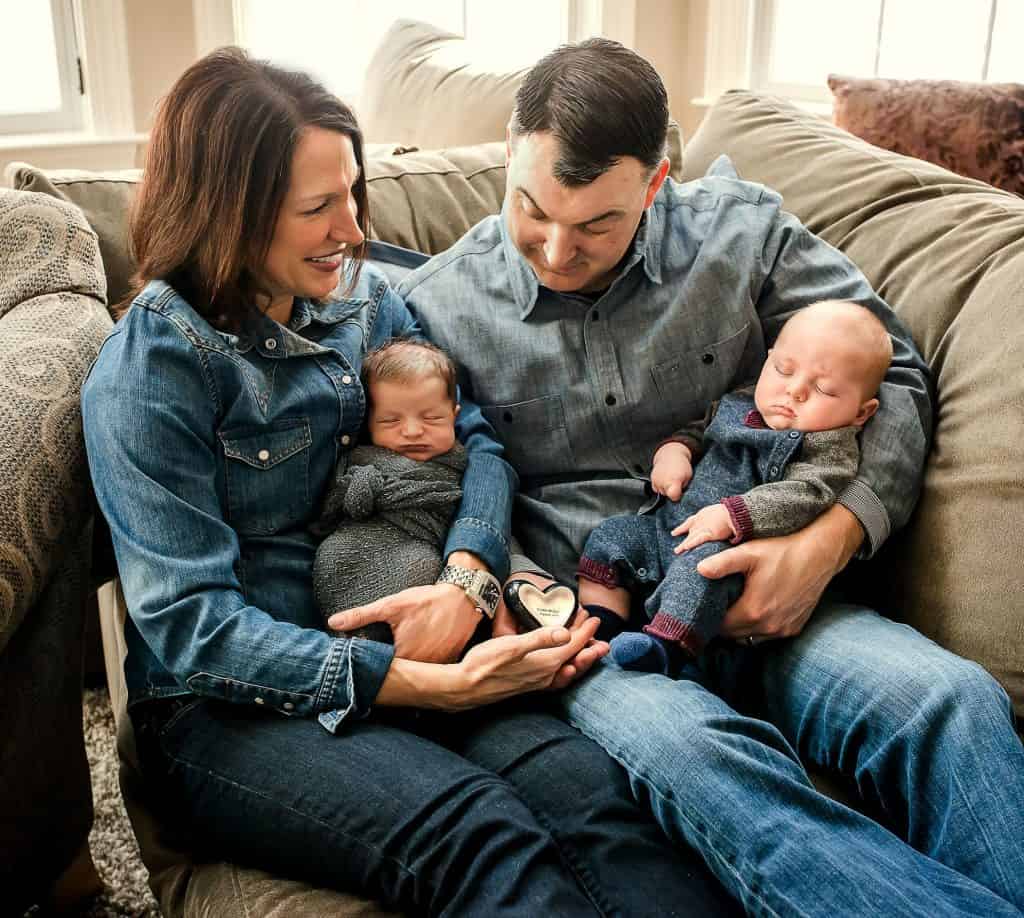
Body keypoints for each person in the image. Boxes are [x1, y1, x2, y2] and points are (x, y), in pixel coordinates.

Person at [81, 47, 741, 916]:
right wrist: (436, 684)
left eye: (352, 192)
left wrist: (467, 581)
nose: (354, 230)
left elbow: (480, 451)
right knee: (483, 837)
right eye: (318, 208)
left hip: (431, 636)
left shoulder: (367, 304)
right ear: (227, 215)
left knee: (600, 805)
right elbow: (194, 629)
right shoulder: (153, 371)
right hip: (235, 712)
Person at [390, 37, 1024, 917]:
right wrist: (497, 587)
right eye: (531, 208)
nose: (556, 251)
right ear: (509, 154)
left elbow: (898, 374)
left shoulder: (745, 232)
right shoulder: (433, 306)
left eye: (597, 225)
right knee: (703, 761)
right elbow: (422, 487)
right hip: (606, 637)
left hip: (772, 588)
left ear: (656, 185)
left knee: (950, 702)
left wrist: (828, 542)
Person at [578, 300, 891, 674]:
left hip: (729, 550)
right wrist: (674, 452)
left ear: (861, 412)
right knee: (612, 536)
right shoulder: (741, 401)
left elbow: (808, 492)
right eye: (782, 370)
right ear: (767, 360)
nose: (794, 391)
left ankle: (663, 649)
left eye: (823, 389)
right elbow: (701, 430)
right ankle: (601, 624)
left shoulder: (828, 448)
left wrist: (736, 514)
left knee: (704, 574)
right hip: (667, 528)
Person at [311, 338, 467, 642]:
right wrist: (358, 490)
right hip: (350, 554)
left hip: (427, 561)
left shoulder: (464, 470)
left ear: (454, 416)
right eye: (390, 420)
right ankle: (360, 640)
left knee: (423, 565)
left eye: (432, 418)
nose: (411, 431)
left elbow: (482, 527)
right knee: (335, 557)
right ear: (369, 424)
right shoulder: (361, 463)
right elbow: (330, 510)